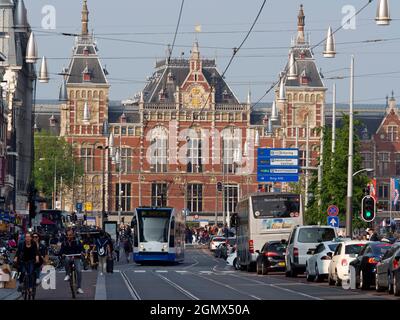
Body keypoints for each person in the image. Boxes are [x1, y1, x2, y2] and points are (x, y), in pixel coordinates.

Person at [59, 229, 85, 294]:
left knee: (79, 271)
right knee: (66, 259)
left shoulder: (77, 241)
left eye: (70, 235)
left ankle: (79, 287)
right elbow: (61, 251)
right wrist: (62, 254)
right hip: (68, 257)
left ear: (73, 235)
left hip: (76, 258)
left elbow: (82, 248)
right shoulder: (64, 243)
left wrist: (82, 252)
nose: (69, 236)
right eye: (68, 235)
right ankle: (67, 274)